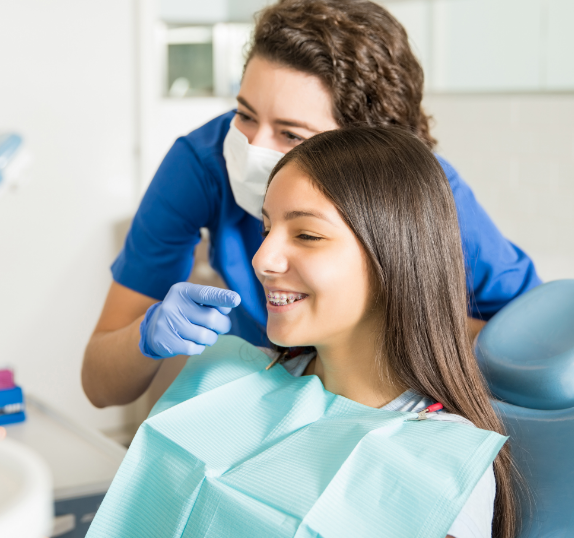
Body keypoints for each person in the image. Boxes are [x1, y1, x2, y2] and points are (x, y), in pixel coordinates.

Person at [82, 0, 540, 409]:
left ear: (370, 157)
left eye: (291, 133)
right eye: (244, 114)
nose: (252, 147)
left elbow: (538, 352)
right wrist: (147, 335)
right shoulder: (204, 163)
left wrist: (405, 321)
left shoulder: (426, 199)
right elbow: (101, 385)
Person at [85, 127, 518, 538]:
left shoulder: (441, 463)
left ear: (395, 257)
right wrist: (144, 335)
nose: (262, 259)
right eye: (266, 229)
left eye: (307, 234)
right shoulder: (226, 378)